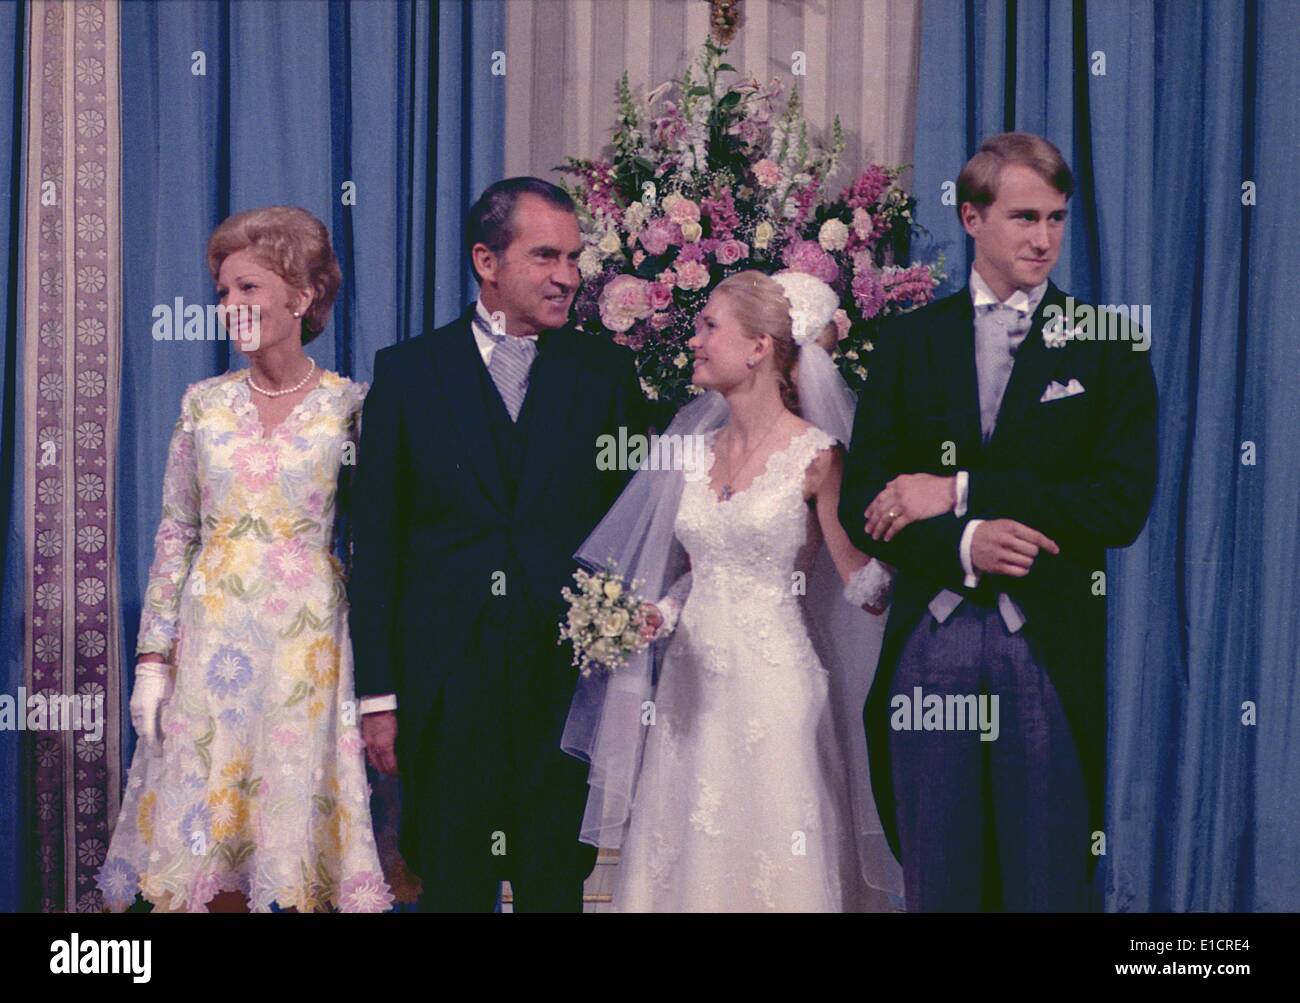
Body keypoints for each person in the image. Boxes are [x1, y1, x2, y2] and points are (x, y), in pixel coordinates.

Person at [839, 132, 1158, 911]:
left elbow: (1119, 505)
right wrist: (965, 544)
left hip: (1046, 639)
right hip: (931, 638)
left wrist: (960, 490)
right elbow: (864, 501)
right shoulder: (910, 341)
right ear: (972, 217)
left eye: (1056, 218)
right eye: (1024, 217)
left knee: (1045, 880)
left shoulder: (1110, 344)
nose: (1044, 238)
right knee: (939, 879)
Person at [349, 178, 649, 912]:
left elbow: (637, 524)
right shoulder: (407, 372)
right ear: (487, 259)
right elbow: (377, 543)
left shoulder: (604, 374)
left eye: (574, 258)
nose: (568, 276)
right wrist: (379, 695)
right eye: (546, 255)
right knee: (453, 885)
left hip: (564, 692)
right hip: (444, 692)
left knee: (555, 886)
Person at [563, 269, 902, 911]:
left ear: (758, 348)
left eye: (708, 327)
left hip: (774, 689)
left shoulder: (819, 457)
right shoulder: (691, 451)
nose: (694, 340)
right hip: (689, 692)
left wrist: (906, 551)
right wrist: (657, 611)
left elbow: (862, 579)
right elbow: (700, 568)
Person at [98, 206, 392, 912]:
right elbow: (176, 534)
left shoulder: (351, 407)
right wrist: (152, 660)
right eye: (224, 292)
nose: (231, 306)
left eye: (249, 288)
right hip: (212, 646)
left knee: (287, 851)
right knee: (206, 851)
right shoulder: (203, 404)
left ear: (303, 294)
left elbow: (374, 546)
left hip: (307, 647)